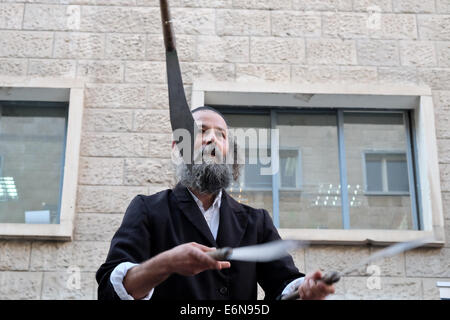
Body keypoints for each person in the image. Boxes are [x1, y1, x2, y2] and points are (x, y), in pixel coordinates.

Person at [96, 106, 335, 300]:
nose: (212, 139)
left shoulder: (256, 221)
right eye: (202, 131)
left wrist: (305, 291)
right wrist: (166, 263)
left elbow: (283, 283)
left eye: (221, 135)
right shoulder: (147, 209)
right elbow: (110, 291)